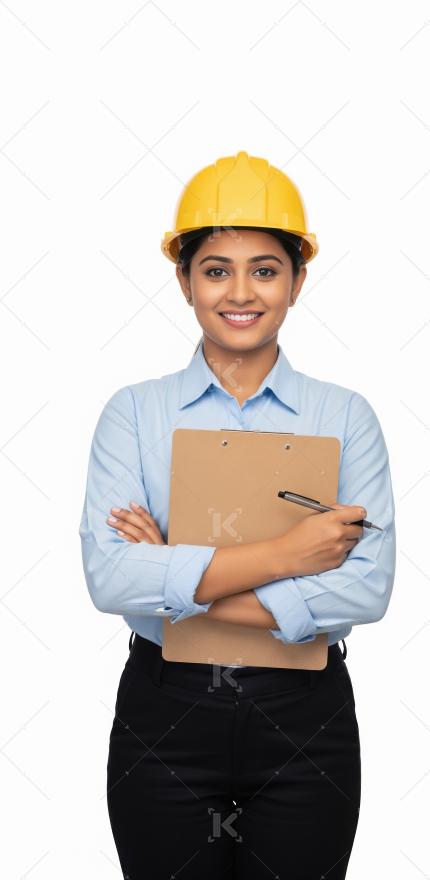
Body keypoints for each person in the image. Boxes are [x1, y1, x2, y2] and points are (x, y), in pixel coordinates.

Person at [78, 150, 396, 879]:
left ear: (297, 281)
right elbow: (111, 578)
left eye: (265, 268)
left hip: (305, 717)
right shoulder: (133, 413)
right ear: (184, 280)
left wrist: (178, 579)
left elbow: (366, 589)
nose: (240, 291)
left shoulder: (346, 418)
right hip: (167, 718)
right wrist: (292, 554)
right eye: (216, 269)